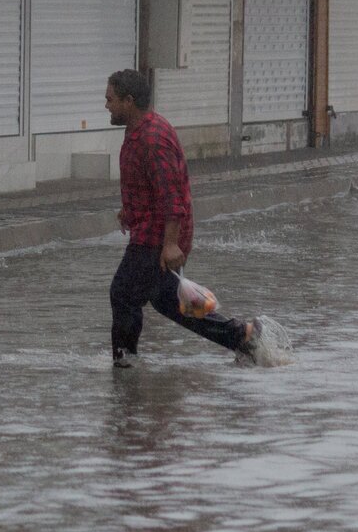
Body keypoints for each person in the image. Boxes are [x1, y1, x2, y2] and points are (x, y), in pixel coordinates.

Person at [105, 69, 259, 368]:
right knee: (168, 301)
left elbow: (172, 194)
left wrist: (171, 244)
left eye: (110, 99)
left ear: (129, 100)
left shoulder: (153, 137)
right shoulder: (138, 130)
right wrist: (130, 212)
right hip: (153, 230)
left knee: (123, 293)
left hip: (159, 236)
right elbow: (147, 186)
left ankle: (125, 363)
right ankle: (242, 336)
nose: (106, 106)